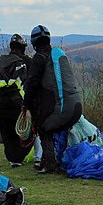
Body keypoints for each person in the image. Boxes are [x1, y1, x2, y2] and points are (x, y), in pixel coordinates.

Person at [24, 25, 82, 174]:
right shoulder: (56, 54)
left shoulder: (39, 58)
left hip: (62, 108)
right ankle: (55, 160)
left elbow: (32, 84)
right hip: (76, 105)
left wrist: (26, 105)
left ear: (34, 42)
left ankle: (50, 165)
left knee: (44, 128)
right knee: (56, 127)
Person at [0, 34, 32, 168]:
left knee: (7, 132)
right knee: (26, 131)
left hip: (1, 104)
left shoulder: (1, 61)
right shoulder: (26, 62)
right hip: (17, 103)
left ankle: (13, 158)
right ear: (23, 47)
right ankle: (20, 157)